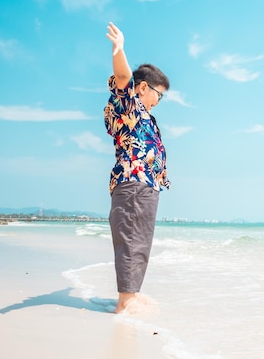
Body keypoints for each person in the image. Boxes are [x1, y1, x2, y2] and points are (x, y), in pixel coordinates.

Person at [103, 22, 171, 314]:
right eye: (159, 94)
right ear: (143, 88)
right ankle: (124, 302)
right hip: (132, 183)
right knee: (131, 236)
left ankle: (131, 293)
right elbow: (122, 76)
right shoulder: (129, 105)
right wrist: (120, 50)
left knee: (141, 239)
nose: (160, 100)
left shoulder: (144, 115)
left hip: (145, 185)